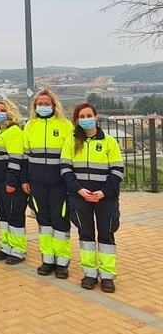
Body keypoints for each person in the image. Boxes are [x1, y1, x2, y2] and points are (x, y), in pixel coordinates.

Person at [61, 103, 123, 293]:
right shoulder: (71, 142)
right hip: (80, 197)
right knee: (85, 235)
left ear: (96, 117)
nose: (86, 119)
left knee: (106, 235)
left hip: (106, 198)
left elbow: (117, 171)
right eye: (82, 116)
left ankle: (107, 275)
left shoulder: (109, 142)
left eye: (89, 115)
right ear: (77, 120)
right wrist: (79, 190)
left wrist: (103, 192)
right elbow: (65, 170)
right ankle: (89, 273)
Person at [23, 89, 74, 279]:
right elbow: (25, 156)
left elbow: (72, 157)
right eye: (40, 104)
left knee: (60, 221)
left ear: (54, 105)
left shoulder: (65, 125)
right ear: (35, 106)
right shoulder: (30, 125)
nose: (43, 106)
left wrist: (71, 183)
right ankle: (47, 260)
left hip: (60, 183)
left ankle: (62, 263)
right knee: (43, 222)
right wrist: (24, 180)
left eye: (47, 103)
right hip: (37, 182)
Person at [0, 99, 27, 265]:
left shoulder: (14, 132)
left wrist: (11, 181)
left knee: (14, 215)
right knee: (4, 216)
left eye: (2, 110)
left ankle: (18, 250)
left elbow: (16, 158)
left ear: (11, 112)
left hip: (9, 183)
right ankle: (6, 246)